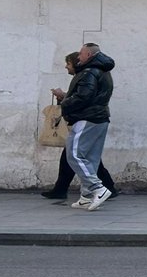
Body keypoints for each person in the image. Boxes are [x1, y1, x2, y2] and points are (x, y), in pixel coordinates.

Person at [42, 51, 118, 200]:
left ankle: (98, 188)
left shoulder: (89, 73)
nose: (66, 66)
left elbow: (83, 98)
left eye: (68, 63)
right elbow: (85, 96)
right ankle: (88, 193)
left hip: (88, 119)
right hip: (94, 118)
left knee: (75, 155)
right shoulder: (93, 73)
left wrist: (64, 101)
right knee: (87, 157)